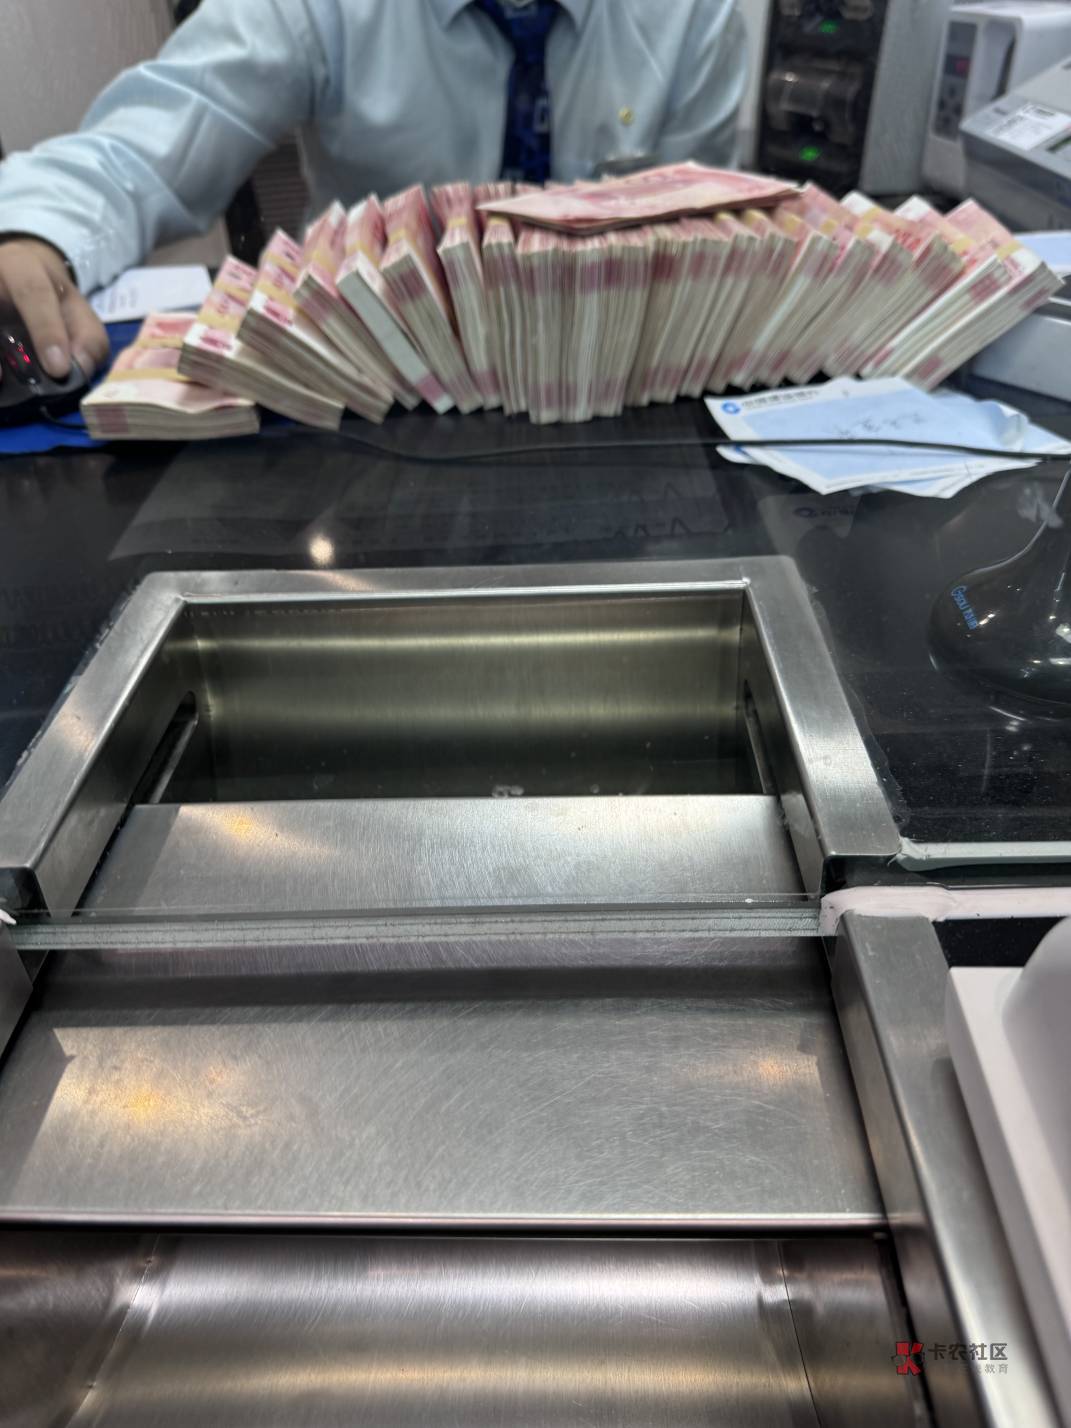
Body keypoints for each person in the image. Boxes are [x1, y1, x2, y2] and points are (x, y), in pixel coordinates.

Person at [0, 0, 746, 382]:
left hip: (612, 379)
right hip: (369, 385)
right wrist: (31, 232)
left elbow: (698, 233)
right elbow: (151, 141)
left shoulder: (691, 14)